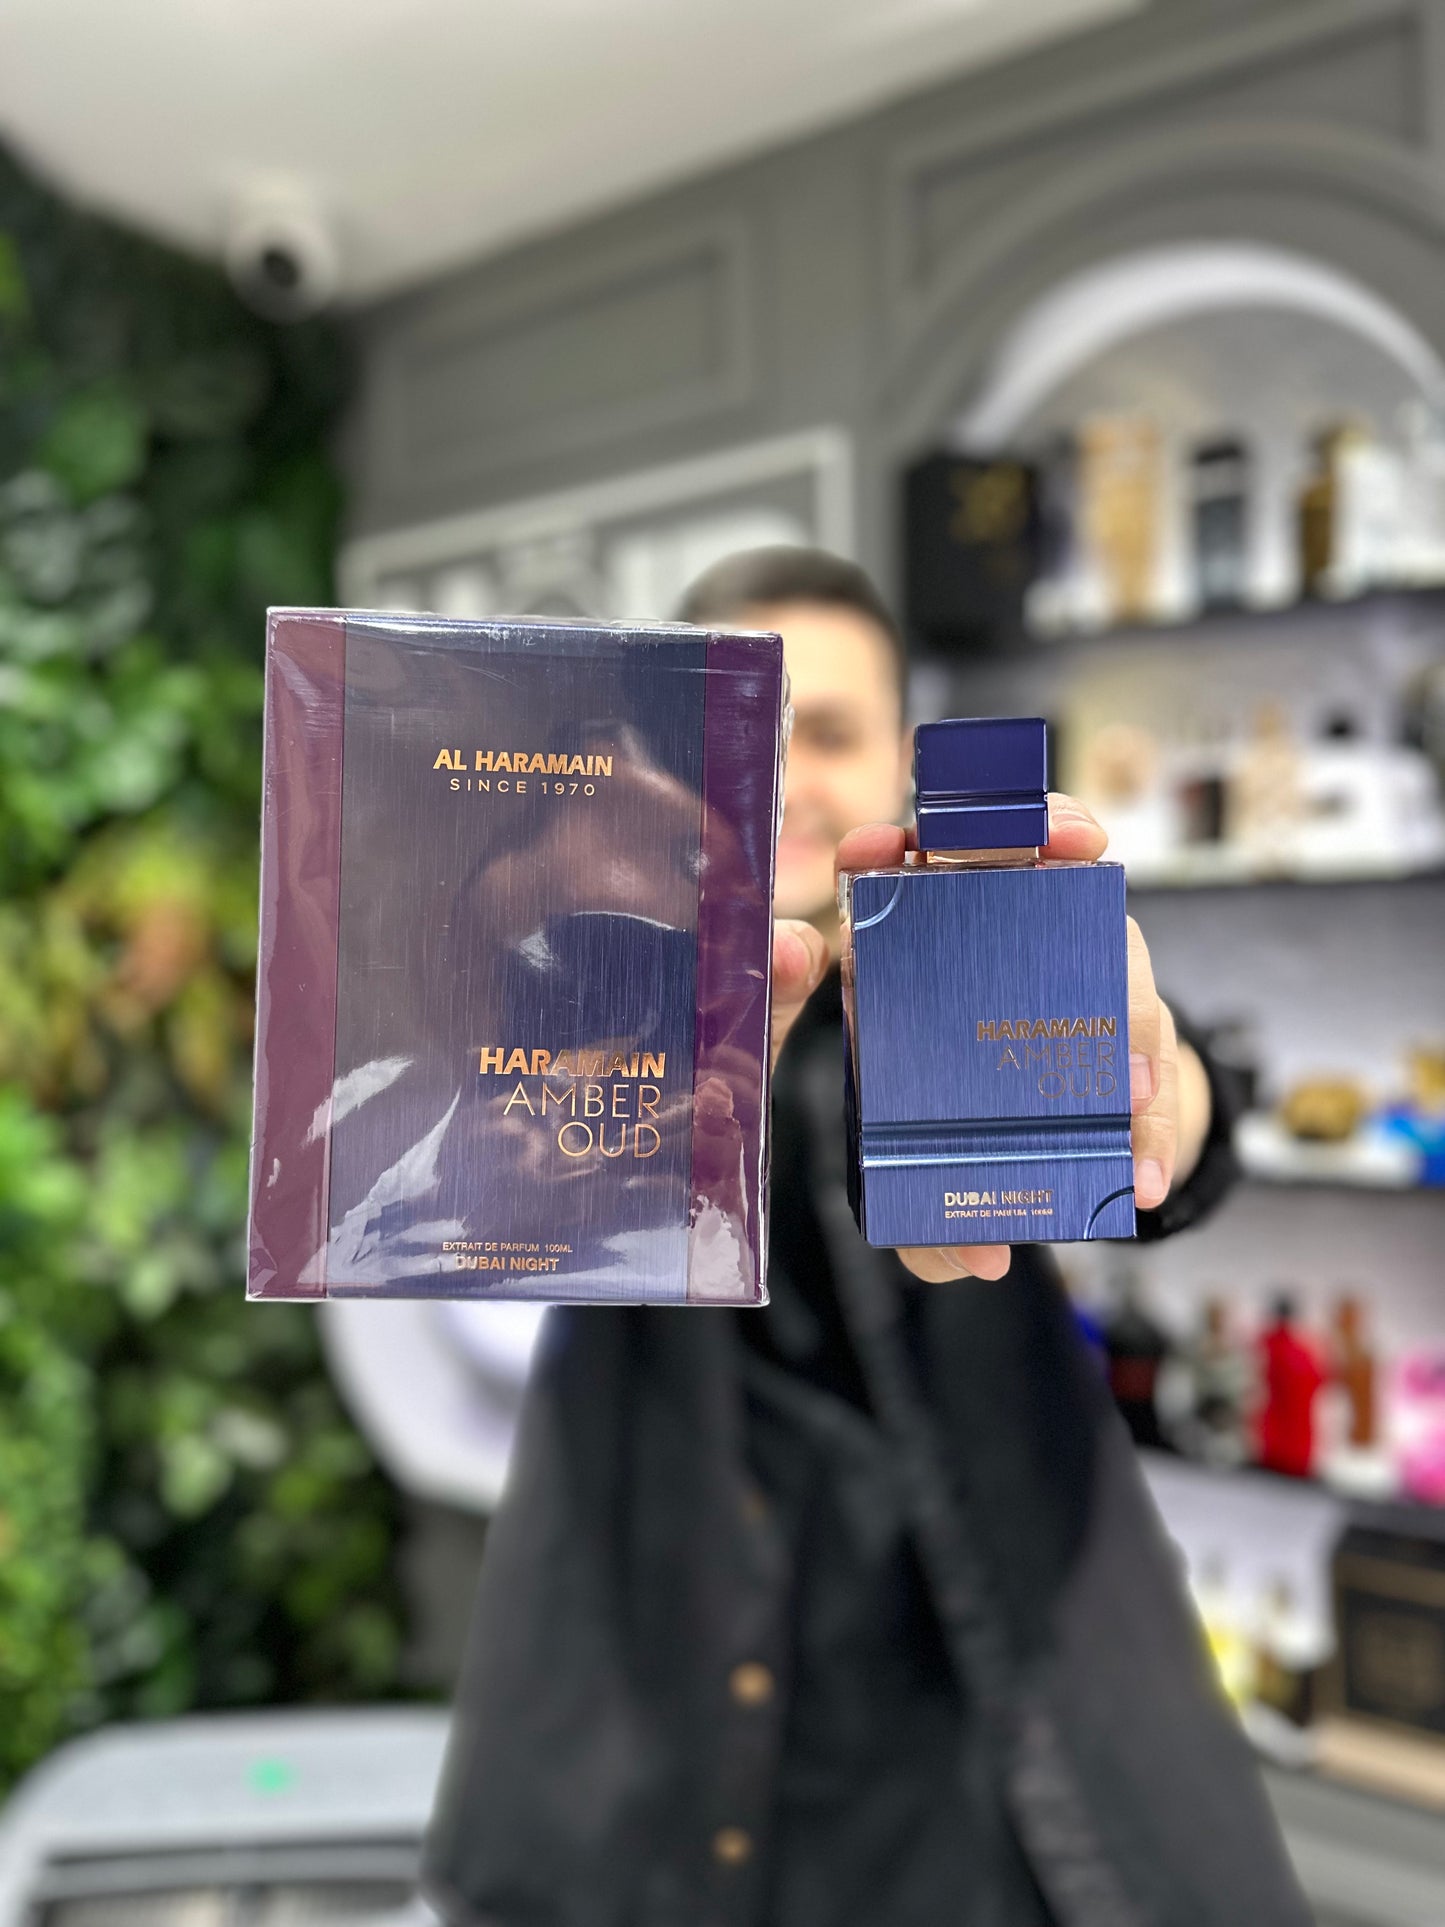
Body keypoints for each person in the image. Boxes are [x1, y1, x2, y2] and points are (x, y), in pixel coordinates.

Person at [425, 549, 1310, 1926]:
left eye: (828, 732)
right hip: (654, 1739)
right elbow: (456, 1244)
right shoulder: (573, 991)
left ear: (902, 759)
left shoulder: (978, 977)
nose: (781, 774)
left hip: (972, 1724)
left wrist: (1150, 1090)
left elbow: (1180, 1111)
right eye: (736, 732)